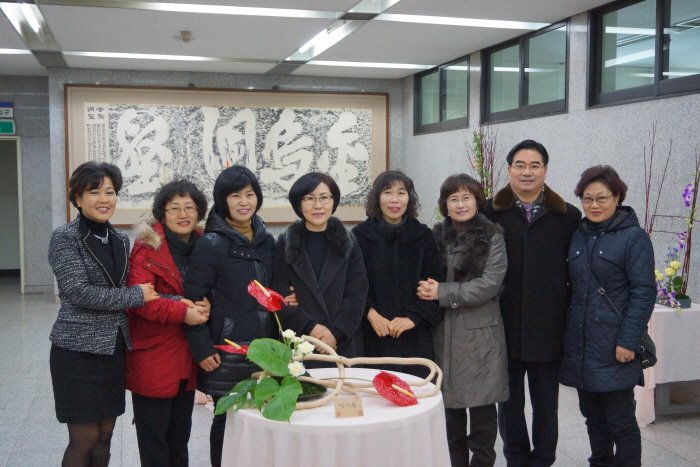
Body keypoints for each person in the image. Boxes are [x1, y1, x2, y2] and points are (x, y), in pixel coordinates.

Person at [48, 161, 159, 467]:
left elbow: (140, 288)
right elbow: (78, 292)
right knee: (84, 439)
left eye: (110, 192)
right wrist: (135, 296)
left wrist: (183, 301)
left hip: (112, 351)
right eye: (94, 192)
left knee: (105, 436)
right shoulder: (65, 237)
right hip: (76, 353)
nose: (104, 199)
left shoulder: (121, 240)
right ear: (78, 198)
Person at [482, 140, 581, 467]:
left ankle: (543, 459)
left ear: (545, 170)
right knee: (508, 403)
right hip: (503, 323)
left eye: (535, 165)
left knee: (546, 403)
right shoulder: (488, 213)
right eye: (520, 165)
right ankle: (516, 458)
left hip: (549, 325)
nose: (527, 172)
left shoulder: (568, 216)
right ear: (509, 169)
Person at [183, 166, 282, 467]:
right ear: (222, 200)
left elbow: (277, 289)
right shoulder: (210, 244)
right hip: (227, 348)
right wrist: (202, 348)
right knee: (227, 420)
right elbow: (194, 301)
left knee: (264, 418)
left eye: (250, 194)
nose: (244, 202)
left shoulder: (266, 240)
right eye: (235, 195)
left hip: (267, 346)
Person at [560, 166, 655, 467]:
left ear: (617, 197)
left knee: (621, 421)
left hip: (616, 345)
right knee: (593, 418)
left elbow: (644, 293)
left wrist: (628, 341)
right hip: (582, 345)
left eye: (602, 198)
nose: (594, 205)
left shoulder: (634, 237)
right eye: (587, 199)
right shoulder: (578, 236)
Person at [417, 174, 509, 467]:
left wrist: (442, 292)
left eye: (466, 197)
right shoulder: (434, 237)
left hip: (480, 338)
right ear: (444, 204)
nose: (460, 204)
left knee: (482, 421)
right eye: (453, 199)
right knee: (450, 423)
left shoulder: (492, 237)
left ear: (477, 201)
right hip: (442, 334)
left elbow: (489, 284)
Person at [126, 179, 211, 467]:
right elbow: (141, 300)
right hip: (155, 355)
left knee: (179, 436)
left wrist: (208, 304)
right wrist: (182, 311)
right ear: (162, 213)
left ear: (199, 211)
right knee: (154, 440)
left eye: (190, 207)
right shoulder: (147, 249)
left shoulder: (205, 244)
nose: (183, 214)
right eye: (174, 208)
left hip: (188, 354)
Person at [352, 170, 443, 378]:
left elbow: (435, 284)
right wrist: (370, 314)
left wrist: (412, 318)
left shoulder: (423, 236)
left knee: (416, 391)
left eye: (401, 193)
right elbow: (352, 284)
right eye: (387, 192)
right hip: (372, 333)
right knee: (374, 391)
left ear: (409, 198)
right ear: (377, 197)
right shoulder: (360, 236)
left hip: (414, 336)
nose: (395, 199)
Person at [273, 172, 368, 362]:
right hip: (301, 340)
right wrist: (310, 327)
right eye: (309, 198)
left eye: (324, 197)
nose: (318, 205)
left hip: (341, 342)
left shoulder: (348, 242)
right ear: (299, 203)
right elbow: (278, 293)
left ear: (333, 201)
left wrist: (336, 332)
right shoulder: (285, 243)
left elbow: (357, 292)